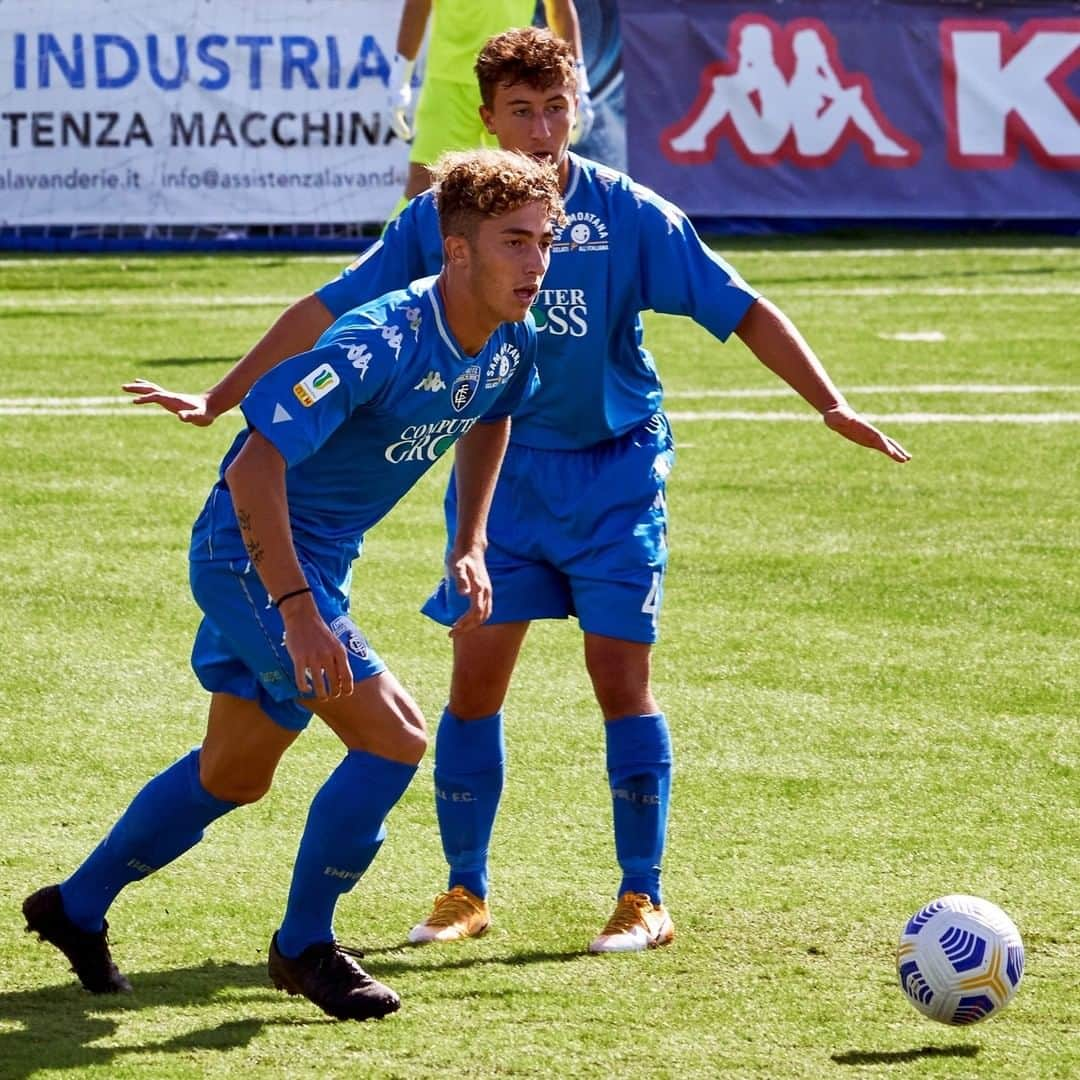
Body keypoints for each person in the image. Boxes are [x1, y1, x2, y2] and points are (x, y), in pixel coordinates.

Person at [123, 28, 910, 957]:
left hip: (616, 472)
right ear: (488, 116)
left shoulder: (629, 214)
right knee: (474, 678)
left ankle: (642, 896)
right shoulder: (445, 219)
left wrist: (830, 403)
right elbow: (327, 306)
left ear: (579, 106)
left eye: (557, 108)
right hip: (500, 476)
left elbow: (741, 308)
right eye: (521, 111)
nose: (541, 129)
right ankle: (465, 890)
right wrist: (222, 396)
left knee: (620, 677)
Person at [22, 148, 565, 1020]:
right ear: (456, 250)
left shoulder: (513, 338)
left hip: (313, 564)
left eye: (545, 242)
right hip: (249, 555)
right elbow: (252, 468)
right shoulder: (376, 340)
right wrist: (301, 613)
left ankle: (73, 907)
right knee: (393, 737)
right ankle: (305, 946)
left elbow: (489, 416)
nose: (537, 264)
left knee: (234, 774)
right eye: (516, 243)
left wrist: (470, 541)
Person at [387, 0, 593, 202]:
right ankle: (395, 238)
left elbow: (560, 8)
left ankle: (550, 236)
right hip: (448, 83)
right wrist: (400, 75)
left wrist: (580, 83)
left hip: (516, 89)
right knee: (426, 185)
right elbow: (417, 4)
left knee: (528, 183)